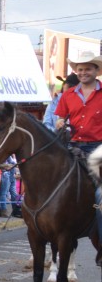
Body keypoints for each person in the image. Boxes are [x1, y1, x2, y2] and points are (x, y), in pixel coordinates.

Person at [53, 50, 102, 235]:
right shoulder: (68, 95)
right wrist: (59, 122)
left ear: (96, 70)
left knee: (101, 195)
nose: (83, 72)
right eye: (80, 69)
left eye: (87, 69)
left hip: (98, 149)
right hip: (71, 147)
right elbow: (60, 118)